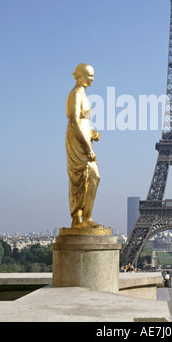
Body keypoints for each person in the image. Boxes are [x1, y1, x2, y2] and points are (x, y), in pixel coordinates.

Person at [65, 63, 102, 229]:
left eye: (93, 75)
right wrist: (87, 147)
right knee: (82, 178)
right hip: (78, 141)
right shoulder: (75, 94)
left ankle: (87, 217)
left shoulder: (84, 95)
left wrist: (93, 133)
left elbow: (83, 122)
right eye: (89, 75)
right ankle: (79, 218)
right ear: (80, 75)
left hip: (85, 138)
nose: (92, 79)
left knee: (93, 177)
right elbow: (74, 122)